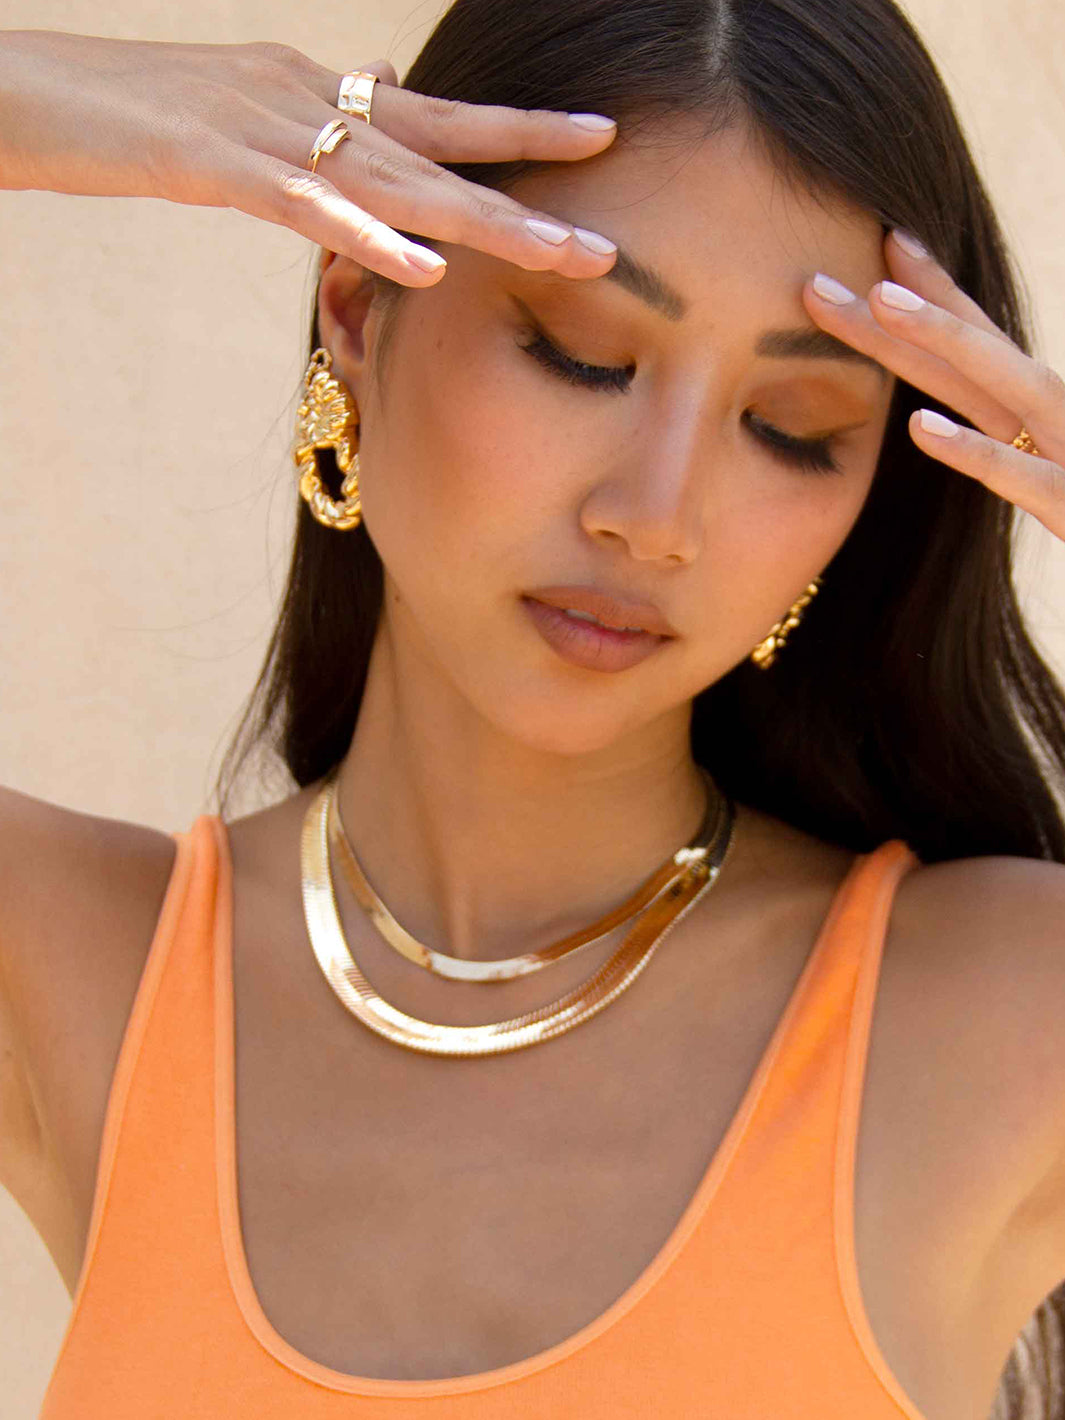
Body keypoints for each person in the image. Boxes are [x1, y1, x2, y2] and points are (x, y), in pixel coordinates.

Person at [1, 2, 1064, 1417]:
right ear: (357, 315)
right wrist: (42, 91)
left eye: (790, 430)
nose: (656, 517)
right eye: (580, 353)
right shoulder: (84, 970)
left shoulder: (993, 1012)